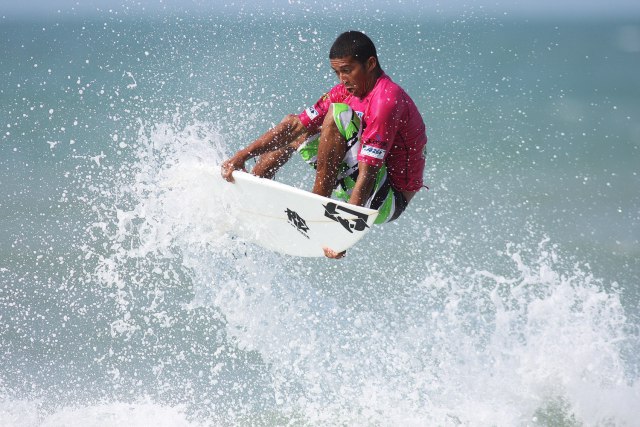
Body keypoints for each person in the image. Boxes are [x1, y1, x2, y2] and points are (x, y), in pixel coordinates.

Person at [221, 30, 427, 259]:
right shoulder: (345, 91)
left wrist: (342, 234)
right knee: (294, 126)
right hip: (360, 184)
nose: (342, 79)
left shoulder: (386, 100)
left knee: (336, 115)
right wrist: (242, 155)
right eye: (337, 72)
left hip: (387, 199)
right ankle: (251, 195)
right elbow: (296, 127)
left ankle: (316, 207)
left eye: (347, 70)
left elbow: (370, 171)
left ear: (370, 64)